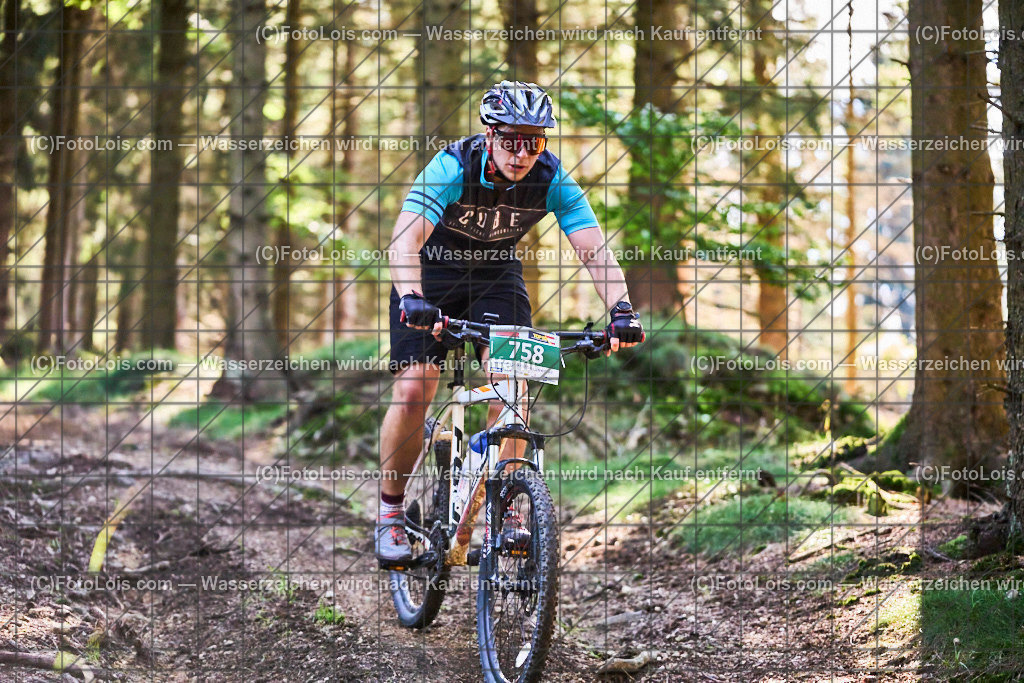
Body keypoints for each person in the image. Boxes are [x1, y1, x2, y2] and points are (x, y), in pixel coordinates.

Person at [375, 80, 645, 565]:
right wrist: (412, 297)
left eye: (535, 141)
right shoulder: (453, 166)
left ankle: (511, 507)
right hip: (431, 274)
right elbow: (404, 241)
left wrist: (621, 310)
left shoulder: (549, 176)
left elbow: (593, 249)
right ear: (489, 135)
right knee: (416, 388)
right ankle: (391, 514)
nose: (522, 153)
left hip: (496, 278)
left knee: (513, 384)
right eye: (511, 140)